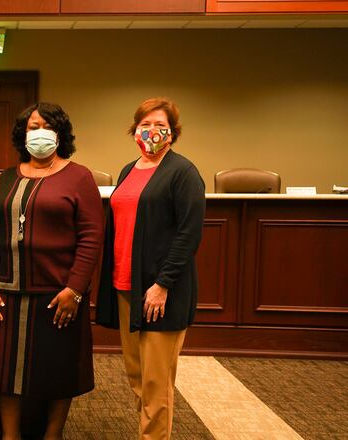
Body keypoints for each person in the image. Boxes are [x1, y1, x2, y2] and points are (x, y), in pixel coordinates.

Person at [0, 102, 105, 440]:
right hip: (8, 291)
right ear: (23, 134)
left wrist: (75, 289)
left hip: (58, 294)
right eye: (33, 126)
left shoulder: (79, 177)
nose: (40, 132)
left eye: (47, 126)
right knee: (7, 372)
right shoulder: (8, 176)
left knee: (58, 371)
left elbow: (92, 237)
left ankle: (52, 435)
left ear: (60, 133)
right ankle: (11, 435)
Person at [95, 97, 205, 440]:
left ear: (172, 134)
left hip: (160, 292)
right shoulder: (129, 169)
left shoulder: (183, 172)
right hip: (126, 286)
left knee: (157, 385)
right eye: (146, 124)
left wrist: (163, 283)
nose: (152, 131)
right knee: (137, 377)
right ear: (134, 130)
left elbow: (189, 233)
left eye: (161, 125)